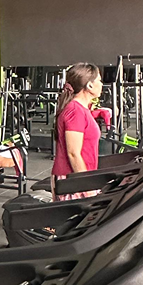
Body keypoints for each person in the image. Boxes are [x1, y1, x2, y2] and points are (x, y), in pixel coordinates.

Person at [51, 63, 103, 201]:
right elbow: (73, 154)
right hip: (73, 179)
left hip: (79, 176)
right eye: (99, 80)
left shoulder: (81, 109)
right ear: (89, 85)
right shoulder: (75, 111)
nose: (101, 84)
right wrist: (86, 185)